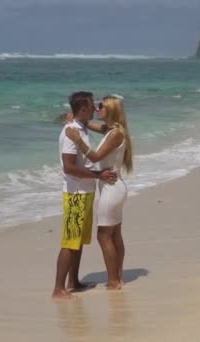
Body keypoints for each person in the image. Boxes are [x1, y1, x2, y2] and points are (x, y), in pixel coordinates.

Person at [52, 91, 118, 300]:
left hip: (85, 190)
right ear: (82, 109)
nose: (95, 109)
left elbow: (108, 130)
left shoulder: (79, 127)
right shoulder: (72, 132)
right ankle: (58, 289)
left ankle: (73, 281)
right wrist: (98, 174)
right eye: (92, 106)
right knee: (70, 241)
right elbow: (69, 167)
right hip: (75, 193)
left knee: (78, 241)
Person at [65, 94, 133, 290]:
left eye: (101, 106)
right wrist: (73, 119)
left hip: (111, 189)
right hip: (113, 187)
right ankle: (118, 277)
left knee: (104, 236)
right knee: (115, 234)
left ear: (111, 109)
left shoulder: (115, 134)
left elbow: (94, 157)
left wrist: (78, 140)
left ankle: (113, 281)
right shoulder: (112, 130)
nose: (96, 109)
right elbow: (86, 124)